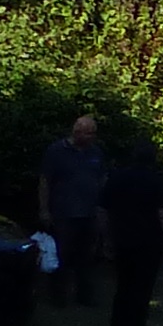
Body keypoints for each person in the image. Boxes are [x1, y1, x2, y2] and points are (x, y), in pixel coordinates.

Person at [98, 140, 163, 326]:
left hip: (122, 238)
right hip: (148, 241)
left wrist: (106, 238)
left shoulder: (116, 177)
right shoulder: (155, 181)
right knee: (142, 289)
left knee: (123, 285)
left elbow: (103, 211)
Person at [36, 114, 109, 307]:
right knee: (62, 256)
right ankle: (58, 297)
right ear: (77, 132)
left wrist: (102, 207)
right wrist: (44, 209)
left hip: (89, 213)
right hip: (63, 214)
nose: (92, 137)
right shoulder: (56, 151)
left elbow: (102, 179)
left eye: (93, 133)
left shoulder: (96, 152)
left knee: (87, 257)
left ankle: (85, 296)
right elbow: (45, 181)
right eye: (89, 133)